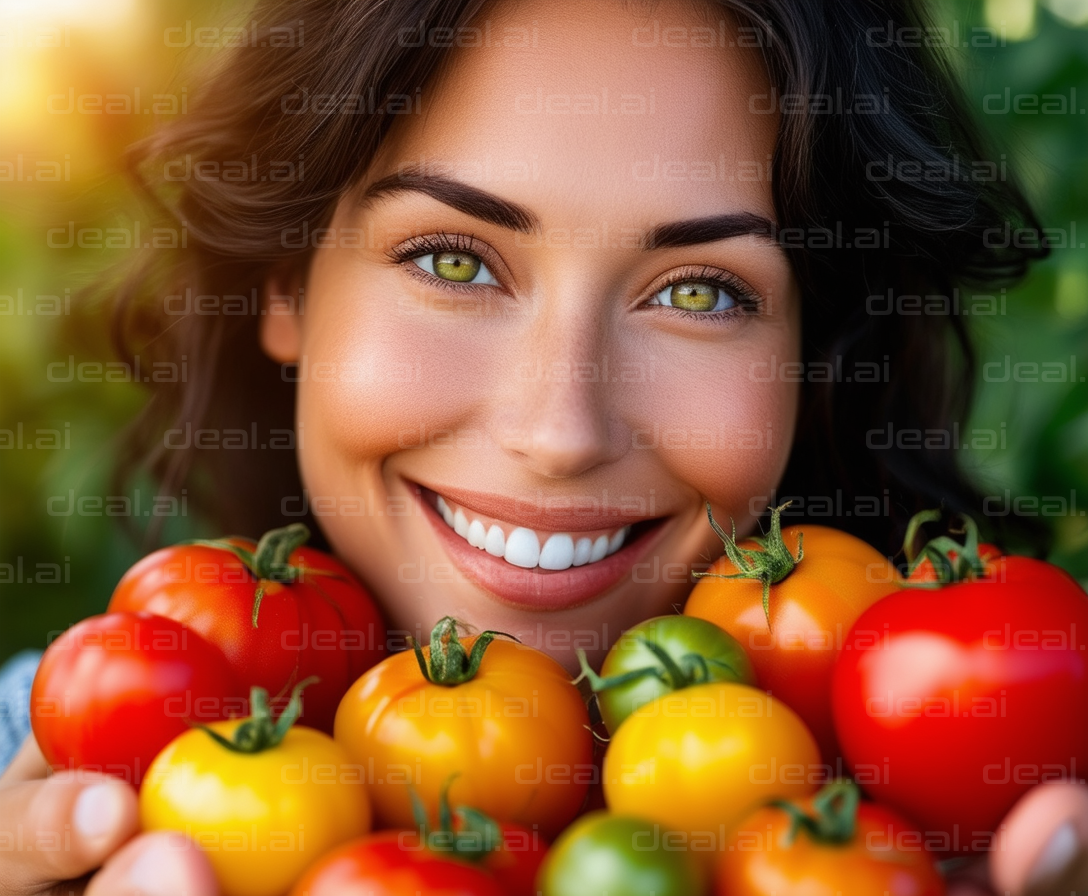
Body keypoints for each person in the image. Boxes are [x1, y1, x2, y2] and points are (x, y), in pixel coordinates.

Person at [1, 0, 1083, 893]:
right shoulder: (38, 762)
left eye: (699, 292)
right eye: (454, 262)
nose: (558, 431)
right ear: (286, 281)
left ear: (813, 353)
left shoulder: (998, 789)